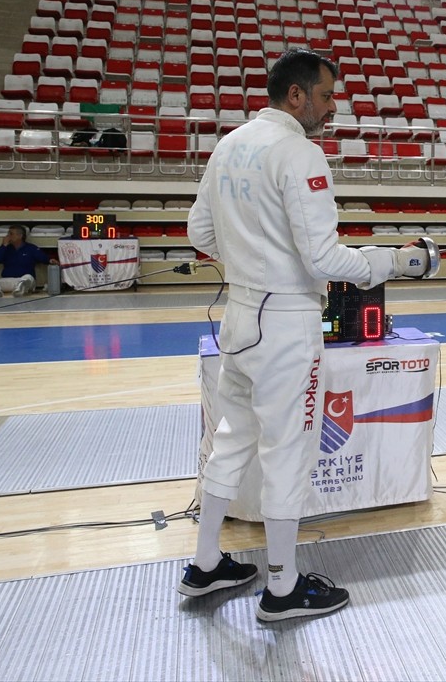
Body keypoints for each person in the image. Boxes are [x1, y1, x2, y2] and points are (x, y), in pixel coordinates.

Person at [183, 49, 431, 622]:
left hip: (239, 317)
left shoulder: (229, 144)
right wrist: (395, 261)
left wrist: (251, 264)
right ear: (296, 96)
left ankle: (205, 564)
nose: (332, 107)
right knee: (287, 451)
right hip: (286, 325)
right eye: (325, 96)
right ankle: (281, 587)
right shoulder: (299, 152)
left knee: (231, 437)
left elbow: (199, 231)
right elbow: (322, 258)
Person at [0, 225, 53, 297]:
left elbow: (44, 258)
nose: (8, 236)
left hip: (25, 281)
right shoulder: (6, 248)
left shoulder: (31, 248)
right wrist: (4, 245)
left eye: (11, 234)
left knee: (28, 277)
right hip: (9, 280)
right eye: (8, 234)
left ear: (20, 236)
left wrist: (51, 261)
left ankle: (20, 289)